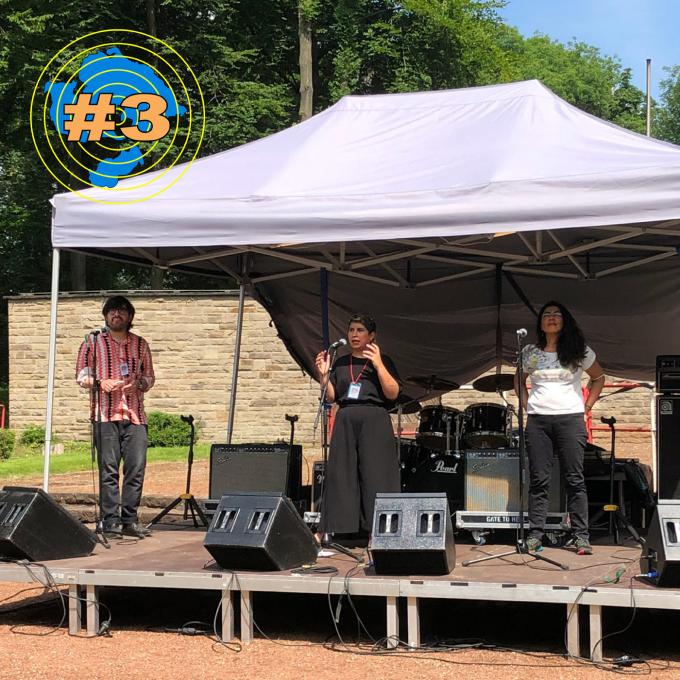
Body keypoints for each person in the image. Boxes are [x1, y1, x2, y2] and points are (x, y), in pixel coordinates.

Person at [515, 301, 605, 556]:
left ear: (565, 320)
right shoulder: (531, 351)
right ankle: (535, 535)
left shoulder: (578, 350)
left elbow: (599, 377)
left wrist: (587, 406)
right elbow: (518, 379)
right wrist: (526, 403)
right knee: (538, 479)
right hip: (539, 420)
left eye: (556, 314)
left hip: (570, 419)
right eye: (546, 314)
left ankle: (581, 536)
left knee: (574, 478)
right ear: (540, 322)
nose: (551, 318)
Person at [75, 296, 155, 539]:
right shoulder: (92, 342)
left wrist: (139, 384)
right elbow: (81, 376)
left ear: (129, 316)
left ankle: (129, 520)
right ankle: (111, 522)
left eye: (121, 311)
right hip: (105, 415)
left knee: (136, 468)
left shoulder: (141, 344)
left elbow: (150, 378)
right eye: (111, 311)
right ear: (105, 315)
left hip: (135, 415)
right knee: (108, 470)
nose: (116, 315)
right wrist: (100, 382)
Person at [315, 314, 401, 537]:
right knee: (342, 472)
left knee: (377, 473)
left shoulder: (383, 361)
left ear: (372, 336)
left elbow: (392, 393)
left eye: (360, 330)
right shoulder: (342, 362)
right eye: (351, 330)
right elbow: (332, 397)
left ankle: (380, 529)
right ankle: (341, 529)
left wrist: (379, 364)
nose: (354, 334)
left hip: (374, 417)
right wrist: (324, 376)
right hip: (346, 416)